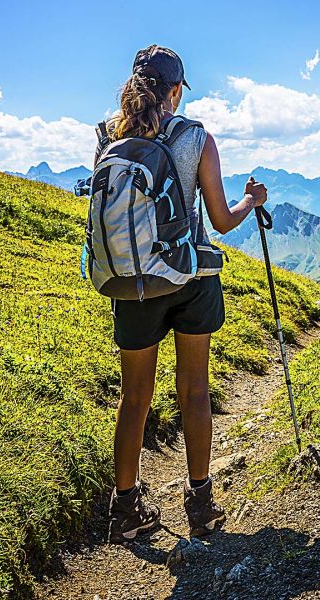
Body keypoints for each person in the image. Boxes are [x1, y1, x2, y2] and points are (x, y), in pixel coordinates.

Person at [104, 45, 267, 543]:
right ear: (177, 89)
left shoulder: (108, 139)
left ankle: (125, 510)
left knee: (135, 398)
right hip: (190, 279)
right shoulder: (197, 137)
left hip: (131, 283)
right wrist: (250, 200)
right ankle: (200, 505)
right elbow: (219, 220)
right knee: (194, 390)